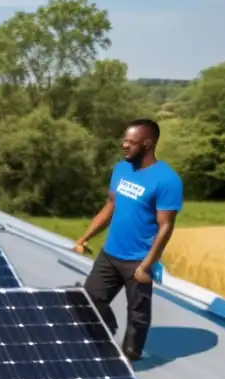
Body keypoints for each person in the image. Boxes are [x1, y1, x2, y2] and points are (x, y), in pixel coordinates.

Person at [73, 118, 183, 361]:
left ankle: (131, 357)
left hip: (138, 260)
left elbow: (166, 226)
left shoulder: (166, 180)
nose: (124, 145)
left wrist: (147, 266)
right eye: (124, 140)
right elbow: (110, 206)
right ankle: (107, 330)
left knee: (137, 315)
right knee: (89, 300)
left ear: (147, 144)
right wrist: (84, 237)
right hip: (110, 254)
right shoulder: (121, 169)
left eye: (130, 142)